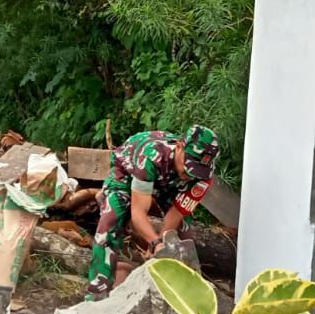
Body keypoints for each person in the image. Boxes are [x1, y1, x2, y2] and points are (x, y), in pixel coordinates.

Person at [85, 125, 220, 300]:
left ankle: (181, 297)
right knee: (110, 222)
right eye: (189, 165)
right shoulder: (150, 157)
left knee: (184, 237)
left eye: (197, 170)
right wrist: (155, 243)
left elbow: (177, 212)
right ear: (179, 146)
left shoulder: (203, 176)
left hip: (171, 184)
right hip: (129, 170)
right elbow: (138, 211)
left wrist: (163, 242)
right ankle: (96, 294)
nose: (191, 173)